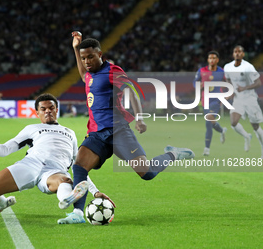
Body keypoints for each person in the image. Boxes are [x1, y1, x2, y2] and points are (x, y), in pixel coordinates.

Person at [56, 32, 195, 224]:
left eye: (90, 57)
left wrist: (139, 118)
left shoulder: (112, 71)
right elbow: (82, 74)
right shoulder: (89, 75)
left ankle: (172, 154)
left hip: (118, 130)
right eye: (83, 58)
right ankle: (78, 214)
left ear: (100, 55)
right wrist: (74, 48)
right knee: (80, 165)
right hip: (96, 134)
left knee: (146, 173)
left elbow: (132, 91)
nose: (86, 61)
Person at [0, 93, 114, 222]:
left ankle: (66, 198)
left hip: (54, 172)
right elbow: (4, 149)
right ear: (37, 113)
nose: (48, 111)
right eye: (43, 109)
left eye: (51, 108)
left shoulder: (70, 132)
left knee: (65, 180)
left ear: (56, 110)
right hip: (29, 166)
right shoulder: (32, 129)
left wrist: (95, 191)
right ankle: (3, 202)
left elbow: (80, 166)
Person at [224, 45, 263, 158]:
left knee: (255, 126)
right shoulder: (228, 66)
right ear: (233, 54)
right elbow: (228, 79)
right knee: (233, 123)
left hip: (250, 99)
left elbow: (258, 83)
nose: (237, 53)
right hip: (238, 99)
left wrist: (244, 88)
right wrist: (231, 91)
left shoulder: (248, 67)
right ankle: (246, 136)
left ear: (243, 54)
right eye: (235, 51)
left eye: (239, 52)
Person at [193, 51, 227, 156]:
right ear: (208, 60)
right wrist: (198, 86)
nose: (212, 60)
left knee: (209, 120)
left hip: (216, 99)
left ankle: (206, 149)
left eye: (214, 58)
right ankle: (221, 130)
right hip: (205, 100)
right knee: (209, 124)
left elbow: (227, 83)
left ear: (217, 60)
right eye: (210, 58)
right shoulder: (201, 70)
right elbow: (195, 82)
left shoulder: (221, 71)